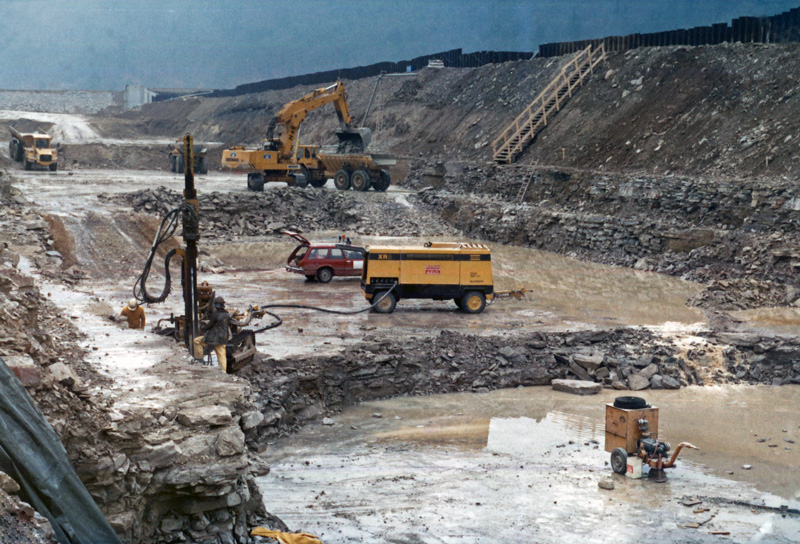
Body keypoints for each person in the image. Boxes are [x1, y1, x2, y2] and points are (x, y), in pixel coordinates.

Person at [193, 297, 234, 372]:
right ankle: (223, 372)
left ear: (215, 305)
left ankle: (199, 361)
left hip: (213, 338)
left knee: (196, 341)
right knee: (222, 356)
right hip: (222, 339)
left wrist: (202, 328)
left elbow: (209, 326)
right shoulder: (227, 314)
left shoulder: (215, 314)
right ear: (223, 305)